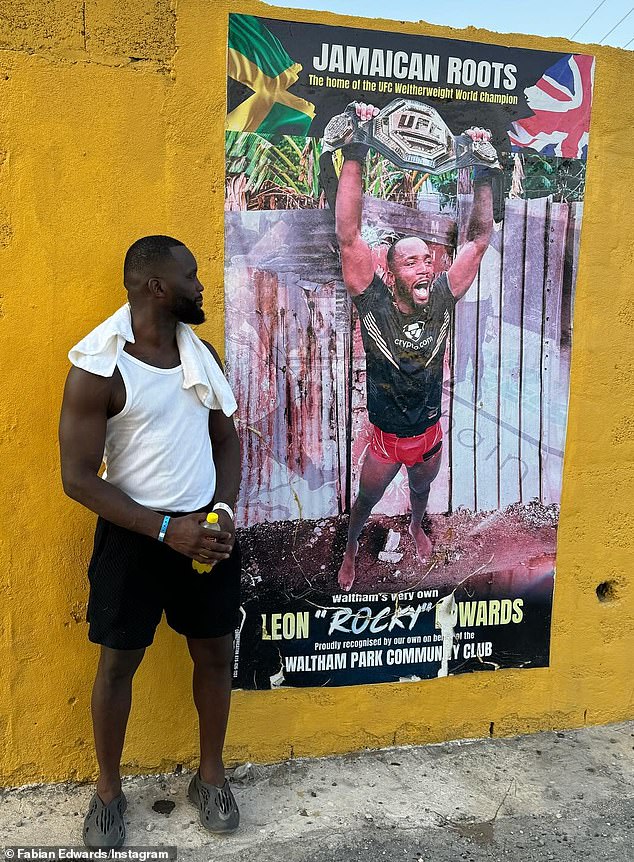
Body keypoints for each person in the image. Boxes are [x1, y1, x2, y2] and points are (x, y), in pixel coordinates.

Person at [59, 236, 242, 849]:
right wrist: (167, 530)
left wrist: (219, 512)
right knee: (117, 666)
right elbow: (78, 477)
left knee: (216, 655)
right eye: (189, 276)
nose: (199, 285)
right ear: (156, 288)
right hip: (134, 540)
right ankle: (108, 792)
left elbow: (226, 441)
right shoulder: (100, 365)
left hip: (205, 537)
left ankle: (210, 777)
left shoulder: (201, 354)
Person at [336, 104, 497, 592]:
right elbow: (348, 237)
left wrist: (484, 169)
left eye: (427, 260)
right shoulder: (375, 301)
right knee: (364, 502)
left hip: (429, 431)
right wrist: (357, 148)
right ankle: (349, 553)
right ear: (390, 273)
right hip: (386, 438)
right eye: (411, 262)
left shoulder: (443, 297)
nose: (424, 268)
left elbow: (480, 238)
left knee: (423, 489)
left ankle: (414, 525)